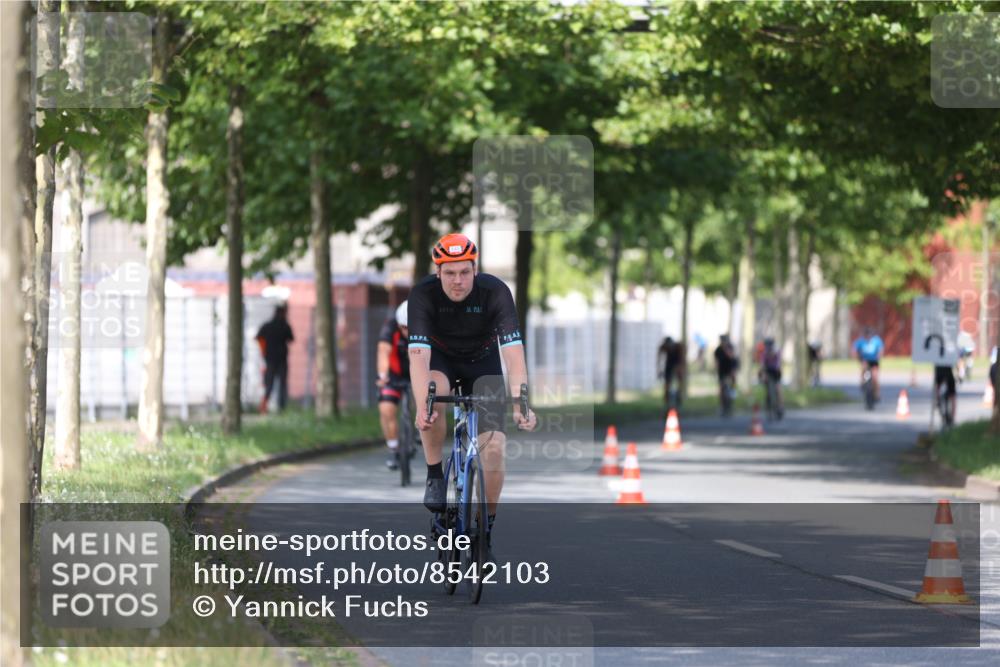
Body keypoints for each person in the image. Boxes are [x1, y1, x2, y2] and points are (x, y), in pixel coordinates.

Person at [408, 233, 537, 557]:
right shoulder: (422, 295)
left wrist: (522, 402)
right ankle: (435, 473)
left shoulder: (495, 291)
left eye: (465, 272)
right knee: (433, 397)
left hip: (483, 364)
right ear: (437, 273)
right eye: (449, 273)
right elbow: (419, 358)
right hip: (441, 361)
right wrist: (422, 405)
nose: (458, 281)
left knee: (494, 447)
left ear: (474, 269)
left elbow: (513, 354)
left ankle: (485, 529)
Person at [376, 301, 412, 471]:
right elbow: (383, 350)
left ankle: (419, 433)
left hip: (416, 373)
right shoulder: (390, 327)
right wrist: (383, 375)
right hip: (395, 374)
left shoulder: (425, 326)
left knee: (427, 399)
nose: (407, 332)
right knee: (386, 408)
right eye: (404, 327)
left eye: (411, 328)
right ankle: (393, 447)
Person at [255, 304, 294, 413]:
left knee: (269, 385)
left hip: (270, 360)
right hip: (281, 360)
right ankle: (280, 408)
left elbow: (259, 338)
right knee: (282, 384)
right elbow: (291, 339)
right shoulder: (285, 326)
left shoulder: (267, 326)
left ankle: (264, 407)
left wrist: (263, 351)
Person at [852, 327, 884, 402]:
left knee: (875, 377)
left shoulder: (876, 340)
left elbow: (880, 350)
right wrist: (858, 358)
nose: (868, 337)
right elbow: (855, 351)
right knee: (863, 369)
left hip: (874, 360)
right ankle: (863, 383)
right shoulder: (860, 341)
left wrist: (878, 356)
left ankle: (876, 394)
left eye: (869, 335)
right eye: (866, 335)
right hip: (864, 360)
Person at [713, 334, 739, 415]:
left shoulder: (730, 347)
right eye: (722, 341)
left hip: (730, 368)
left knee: (732, 382)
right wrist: (716, 370)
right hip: (722, 370)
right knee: (721, 388)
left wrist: (727, 351)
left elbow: (732, 357)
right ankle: (721, 406)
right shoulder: (717, 350)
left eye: (724, 341)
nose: (723, 343)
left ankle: (733, 392)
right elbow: (716, 362)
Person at [758, 337, 784, 418]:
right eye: (766, 346)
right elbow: (762, 364)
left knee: (778, 389)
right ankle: (768, 407)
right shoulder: (764, 353)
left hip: (776, 372)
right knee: (768, 391)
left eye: (769, 346)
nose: (768, 348)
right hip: (768, 372)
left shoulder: (777, 351)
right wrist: (762, 374)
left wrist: (772, 355)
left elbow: (778, 364)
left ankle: (780, 406)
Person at [657, 336, 685, 408]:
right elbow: (659, 358)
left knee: (680, 380)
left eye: (670, 347)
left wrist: (680, 369)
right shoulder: (663, 347)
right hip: (669, 363)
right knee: (667, 382)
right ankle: (666, 399)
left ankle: (679, 396)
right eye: (668, 347)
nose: (669, 348)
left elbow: (682, 359)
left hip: (678, 362)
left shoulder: (678, 347)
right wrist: (659, 370)